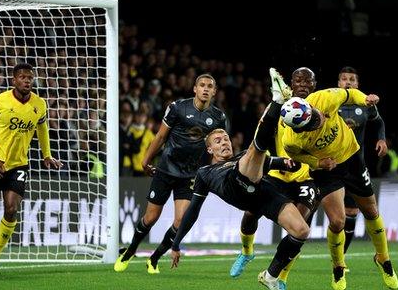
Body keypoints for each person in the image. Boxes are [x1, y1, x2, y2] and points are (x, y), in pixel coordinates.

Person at [170, 68, 310, 290]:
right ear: (209, 148)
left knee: (302, 230)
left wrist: (286, 163)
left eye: (225, 138)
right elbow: (193, 210)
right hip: (235, 185)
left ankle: (271, 275)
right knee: (255, 150)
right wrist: (176, 244)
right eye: (217, 141)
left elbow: (270, 163)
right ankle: (277, 100)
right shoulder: (205, 174)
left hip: (263, 193)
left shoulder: (240, 157)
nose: (224, 142)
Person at [281, 87, 398, 290]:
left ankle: (383, 258)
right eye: (312, 125)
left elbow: (350, 94)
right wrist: (318, 164)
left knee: (371, 211)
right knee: (337, 222)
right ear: (299, 129)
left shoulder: (324, 98)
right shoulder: (291, 140)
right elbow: (297, 155)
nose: (319, 122)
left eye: (316, 117)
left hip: (352, 158)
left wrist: (365, 98)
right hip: (328, 171)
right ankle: (338, 267)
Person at [114, 74, 228, 274]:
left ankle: (154, 259)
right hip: (166, 169)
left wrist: (215, 172)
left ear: (214, 91)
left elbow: (217, 147)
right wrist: (146, 160)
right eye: (202, 85)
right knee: (150, 218)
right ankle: (130, 251)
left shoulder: (218, 117)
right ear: (194, 88)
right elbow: (160, 136)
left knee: (180, 221)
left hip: (191, 175)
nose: (205, 89)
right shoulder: (178, 108)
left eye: (210, 86)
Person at [228, 67, 319, 290]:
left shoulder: (321, 106)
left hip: (307, 176)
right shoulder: (279, 106)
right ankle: (247, 252)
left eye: (308, 81)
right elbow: (261, 134)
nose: (303, 84)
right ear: (291, 83)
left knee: (299, 227)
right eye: (298, 80)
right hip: (278, 173)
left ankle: (280, 276)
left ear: (314, 85)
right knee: (250, 214)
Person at [0, 63, 62, 274]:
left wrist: (46, 154)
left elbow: (42, 128)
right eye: (22, 77)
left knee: (11, 209)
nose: (27, 80)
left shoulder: (39, 104)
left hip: (19, 164)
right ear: (14, 80)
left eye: (30, 77)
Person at [336, 67, 388, 259]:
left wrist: (382, 139)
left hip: (355, 166)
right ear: (338, 83)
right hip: (330, 165)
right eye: (343, 79)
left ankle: (341, 257)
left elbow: (379, 122)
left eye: (352, 79)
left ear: (358, 84)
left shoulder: (366, 104)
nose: (348, 82)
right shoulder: (331, 102)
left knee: (351, 211)